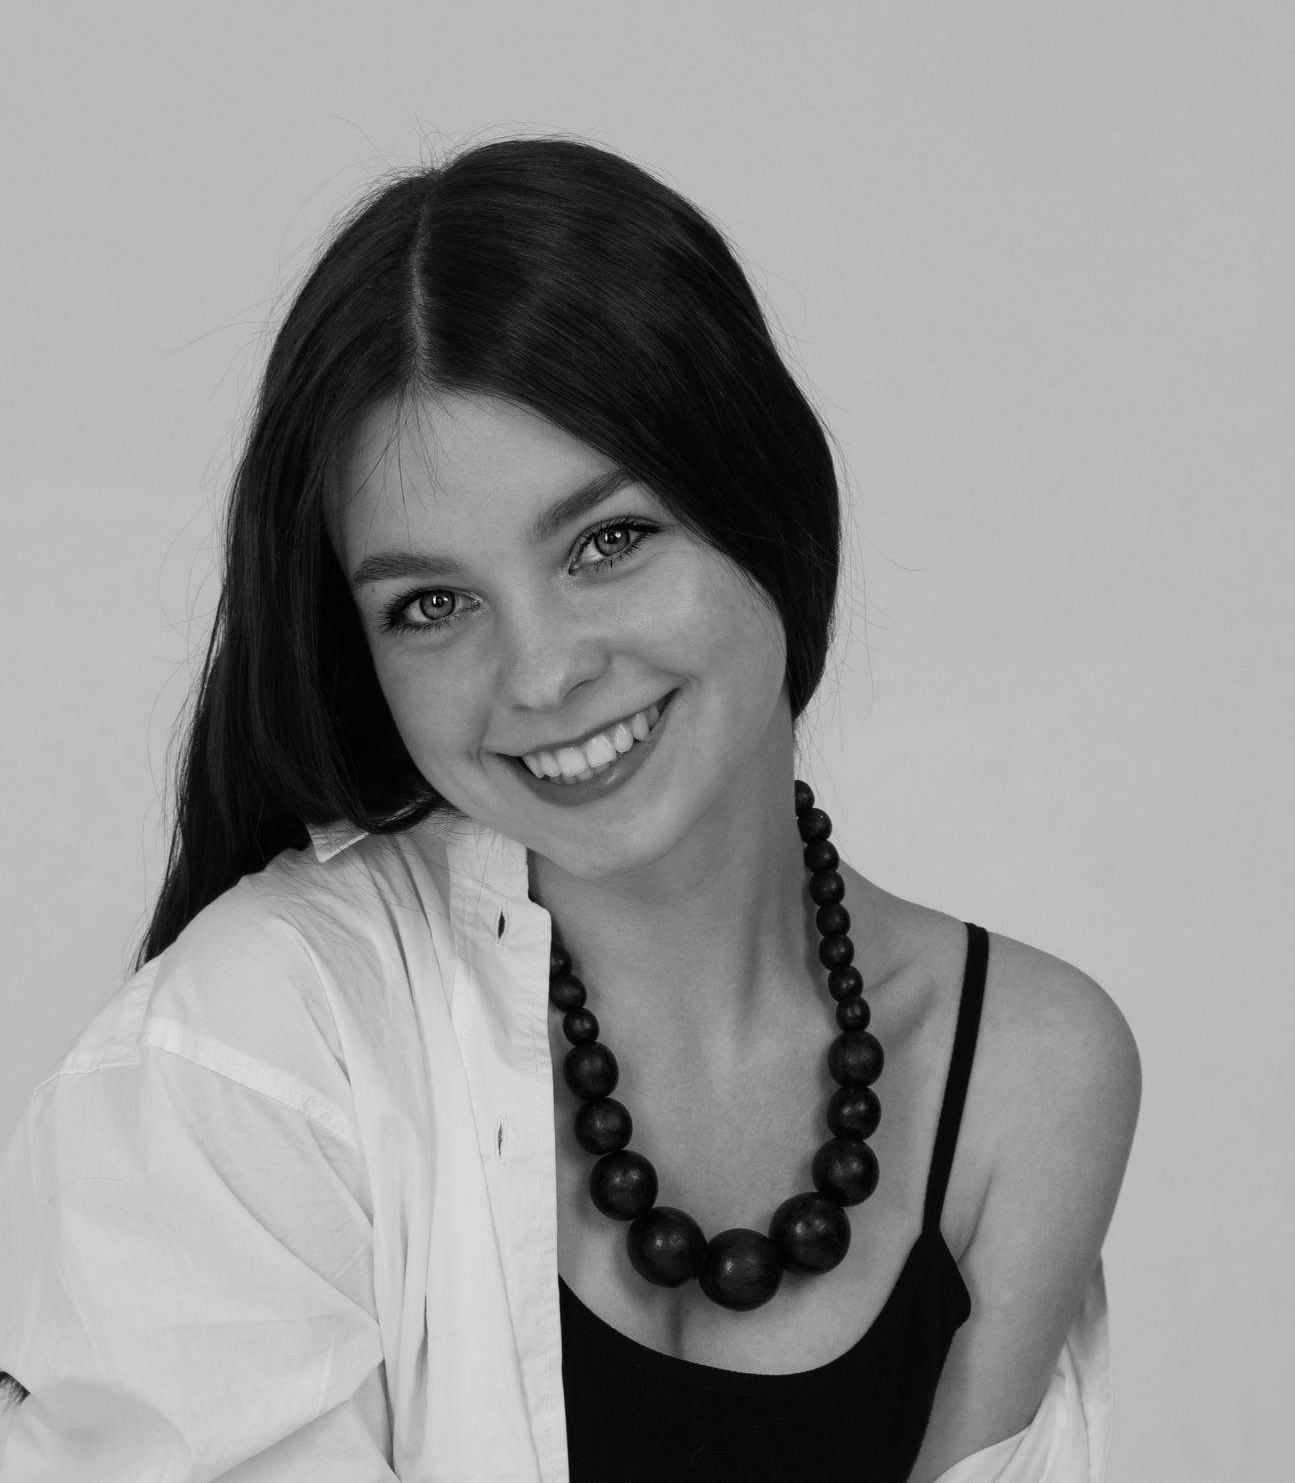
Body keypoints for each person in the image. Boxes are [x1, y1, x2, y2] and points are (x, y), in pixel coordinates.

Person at [0, 137, 1139, 1481]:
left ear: (763, 503)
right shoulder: (259, 1045)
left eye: (608, 541)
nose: (541, 674)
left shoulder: (1028, 1070)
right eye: (432, 604)